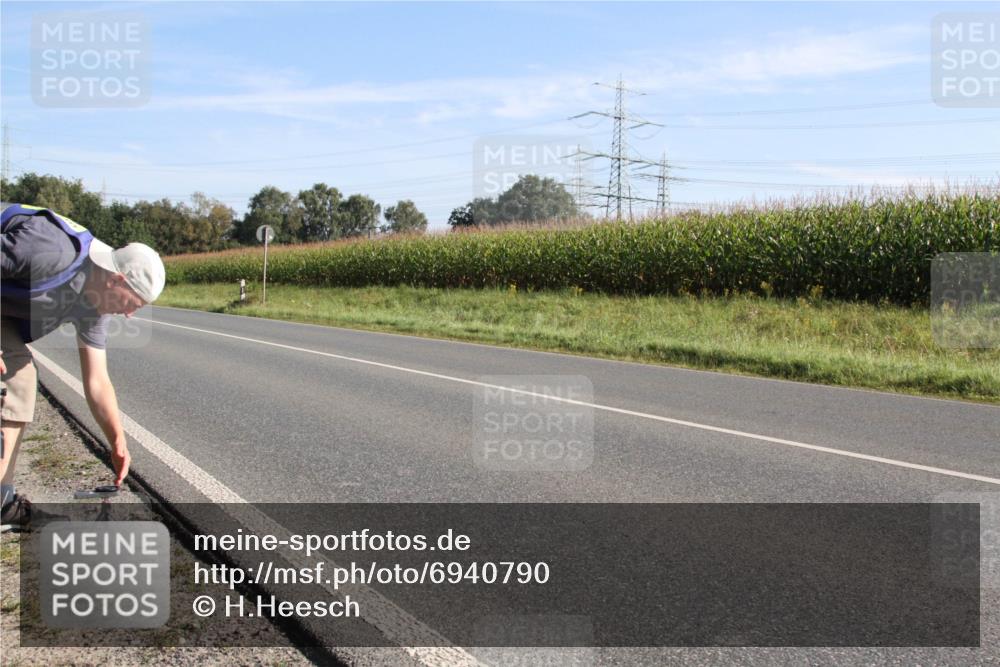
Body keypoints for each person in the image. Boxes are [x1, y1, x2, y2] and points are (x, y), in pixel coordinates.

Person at [0, 203, 165, 530]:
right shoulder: (49, 253)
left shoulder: (94, 306)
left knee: (17, 375)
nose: (130, 315)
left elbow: (98, 382)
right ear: (116, 280)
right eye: (132, 304)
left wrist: (117, 442)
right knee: (19, 377)